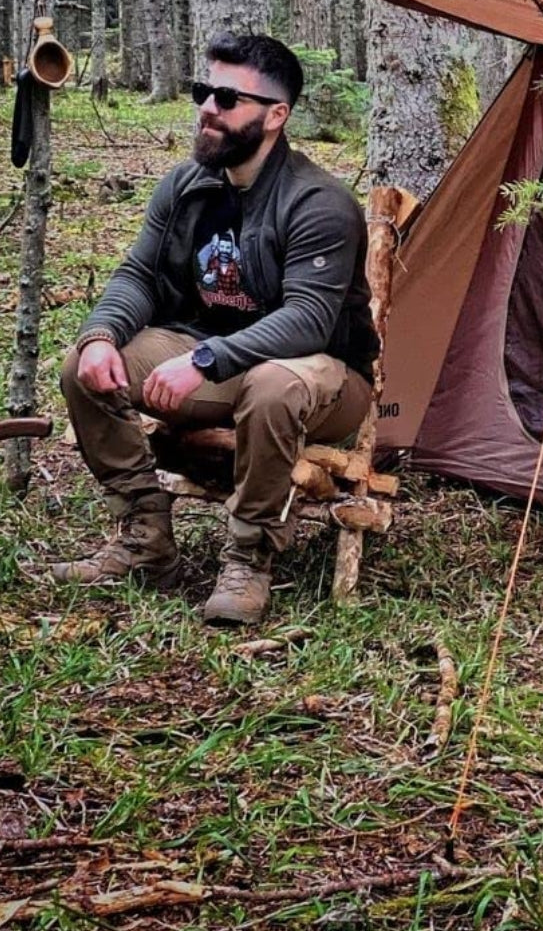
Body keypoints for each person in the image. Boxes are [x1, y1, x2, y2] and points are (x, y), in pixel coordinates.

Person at [55, 33, 379, 625]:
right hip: (217, 354)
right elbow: (140, 276)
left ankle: (250, 558)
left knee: (274, 385)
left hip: (324, 374)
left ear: (276, 115)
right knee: (86, 366)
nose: (208, 107)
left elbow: (308, 320)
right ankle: (145, 537)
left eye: (228, 98)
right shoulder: (187, 186)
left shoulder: (319, 202)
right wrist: (101, 333)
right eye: (204, 91)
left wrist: (204, 362)